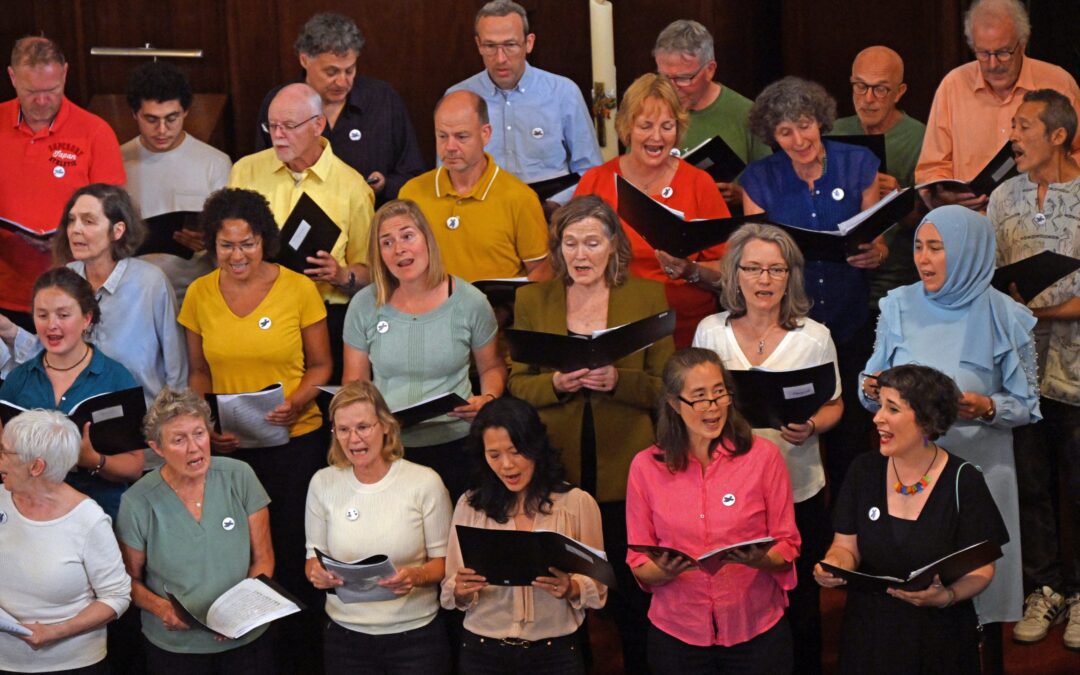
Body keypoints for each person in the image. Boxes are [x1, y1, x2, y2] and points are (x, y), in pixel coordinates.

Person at [860, 205, 1041, 669]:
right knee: (913, 594)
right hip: (910, 474)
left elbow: (1027, 406)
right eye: (919, 246)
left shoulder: (1006, 314)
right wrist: (871, 387)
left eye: (936, 248)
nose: (924, 259)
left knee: (978, 593)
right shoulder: (898, 304)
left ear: (968, 251)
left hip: (980, 469)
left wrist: (986, 406)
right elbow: (874, 388)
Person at [507, 195, 673, 673]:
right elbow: (518, 383)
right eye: (570, 243)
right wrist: (555, 383)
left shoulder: (646, 297)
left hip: (627, 472)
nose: (581, 255)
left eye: (592, 243)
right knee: (564, 593)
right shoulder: (532, 299)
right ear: (558, 248)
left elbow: (667, 389)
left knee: (629, 595)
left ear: (613, 247)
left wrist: (620, 381)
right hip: (557, 471)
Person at [692, 223, 842, 675]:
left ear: (790, 276)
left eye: (776, 270)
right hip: (728, 491)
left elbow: (836, 404)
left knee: (800, 602)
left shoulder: (814, 337)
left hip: (797, 486)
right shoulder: (710, 332)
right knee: (736, 594)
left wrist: (813, 424)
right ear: (733, 274)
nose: (764, 280)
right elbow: (694, 402)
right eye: (753, 268)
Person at [178, 187, 331, 620]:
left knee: (292, 550)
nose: (237, 255)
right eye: (226, 245)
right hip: (230, 450)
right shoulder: (198, 294)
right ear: (213, 245)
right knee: (237, 556)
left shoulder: (298, 288)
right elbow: (198, 373)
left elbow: (321, 366)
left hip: (295, 444)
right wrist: (203, 425)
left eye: (248, 243)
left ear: (265, 239)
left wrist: (297, 403)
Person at [741, 75, 885, 493]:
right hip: (790, 327)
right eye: (785, 131)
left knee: (853, 439)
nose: (799, 139)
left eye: (804, 125)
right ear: (773, 135)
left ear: (820, 121)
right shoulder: (759, 179)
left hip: (851, 320)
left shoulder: (858, 163)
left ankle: (851, 537)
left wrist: (875, 253)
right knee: (790, 433)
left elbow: (877, 241)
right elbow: (755, 256)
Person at [816, 365, 1009, 674]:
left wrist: (947, 596)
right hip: (871, 633)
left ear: (926, 420)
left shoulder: (964, 480)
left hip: (940, 637)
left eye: (892, 408)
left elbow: (982, 567)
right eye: (880, 406)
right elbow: (845, 547)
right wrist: (835, 565)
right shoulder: (863, 471)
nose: (878, 417)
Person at [625, 348, 799, 674]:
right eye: (700, 397)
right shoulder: (645, 467)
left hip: (756, 629)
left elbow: (787, 545)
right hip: (678, 634)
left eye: (720, 393)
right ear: (675, 404)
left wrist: (757, 558)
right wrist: (666, 569)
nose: (713, 406)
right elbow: (638, 561)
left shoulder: (764, 457)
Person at [987, 88, 1080, 648]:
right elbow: (993, 275)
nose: (1013, 136)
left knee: (1079, 486)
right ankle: (1043, 589)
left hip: (1076, 372)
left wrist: (1040, 311)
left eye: (1023, 126)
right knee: (1033, 488)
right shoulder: (1003, 197)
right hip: (1023, 375)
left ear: (1059, 135)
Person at [342, 199, 504, 501]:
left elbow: (492, 367)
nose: (399, 249)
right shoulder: (364, 304)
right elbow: (355, 384)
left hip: (457, 444)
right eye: (386, 242)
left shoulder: (471, 301)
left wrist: (488, 400)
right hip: (389, 448)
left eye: (407, 236)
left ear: (426, 239)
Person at [442, 396, 607, 674]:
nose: (507, 465)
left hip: (555, 650)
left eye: (516, 451)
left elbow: (599, 586)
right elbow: (450, 589)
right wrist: (460, 589)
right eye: (494, 455)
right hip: (483, 649)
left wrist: (572, 587)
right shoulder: (470, 505)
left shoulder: (576, 503)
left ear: (535, 447)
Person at [116, 387, 275, 673]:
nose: (193, 447)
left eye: (199, 434)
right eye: (178, 440)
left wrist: (241, 613)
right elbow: (128, 582)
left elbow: (263, 559)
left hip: (246, 640)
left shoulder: (240, 476)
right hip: (176, 648)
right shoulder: (137, 501)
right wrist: (162, 608)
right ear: (157, 448)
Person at [304, 380, 453, 674]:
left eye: (363, 426)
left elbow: (444, 564)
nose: (353, 439)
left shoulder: (425, 482)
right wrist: (317, 575)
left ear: (385, 426)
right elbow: (313, 558)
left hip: (416, 638)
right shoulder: (323, 482)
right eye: (343, 430)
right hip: (345, 638)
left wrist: (416, 575)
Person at [0, 184, 187, 414]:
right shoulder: (66, 276)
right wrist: (8, 330)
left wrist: (172, 425)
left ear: (117, 231)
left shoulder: (150, 282)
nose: (75, 230)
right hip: (73, 429)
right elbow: (47, 356)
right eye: (71, 220)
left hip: (142, 428)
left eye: (88, 221)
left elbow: (177, 370)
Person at [231, 82, 374, 382]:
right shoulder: (246, 171)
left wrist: (339, 274)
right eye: (272, 126)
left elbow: (370, 273)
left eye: (289, 126)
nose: (278, 135)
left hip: (324, 317)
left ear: (317, 125)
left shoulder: (353, 188)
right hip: (256, 312)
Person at [573, 73, 729, 348]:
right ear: (627, 127)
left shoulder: (698, 184)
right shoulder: (596, 181)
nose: (656, 137)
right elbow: (570, 258)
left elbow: (730, 269)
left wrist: (690, 269)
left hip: (685, 329)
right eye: (646, 126)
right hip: (614, 326)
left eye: (667, 126)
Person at [0, 267, 144, 521]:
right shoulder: (18, 379)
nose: (52, 325)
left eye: (63, 315)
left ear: (87, 318)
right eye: (42, 315)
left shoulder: (117, 378)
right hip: (32, 514)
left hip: (99, 514)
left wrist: (93, 460)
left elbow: (134, 466)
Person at [0, 37, 125, 326]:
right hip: (6, 291)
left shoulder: (95, 132)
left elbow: (115, 215)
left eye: (52, 90)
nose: (42, 101)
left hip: (74, 291)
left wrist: (65, 237)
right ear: (12, 77)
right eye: (31, 91)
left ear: (65, 74)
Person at [0, 409, 131, 674]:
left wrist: (54, 632)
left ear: (36, 466)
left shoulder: (89, 519)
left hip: (72, 665)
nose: (0, 461)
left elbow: (116, 596)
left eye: (5, 453)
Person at [915, 0, 1080, 210]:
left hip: (1043, 218)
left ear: (1022, 42)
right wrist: (943, 197)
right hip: (972, 222)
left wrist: (1054, 181)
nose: (993, 65)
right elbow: (931, 168)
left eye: (1003, 53)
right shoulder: (953, 86)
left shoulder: (1058, 83)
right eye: (983, 54)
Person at [255, 12, 424, 204]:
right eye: (331, 72)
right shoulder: (280, 103)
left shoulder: (383, 100)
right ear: (304, 60)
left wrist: (386, 184)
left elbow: (414, 175)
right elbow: (264, 171)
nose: (342, 82)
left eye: (350, 70)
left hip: (369, 218)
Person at [447, 0, 602, 209]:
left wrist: (557, 204)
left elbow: (591, 171)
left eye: (510, 45)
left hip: (552, 214)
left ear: (528, 43)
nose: (500, 58)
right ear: (478, 45)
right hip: (483, 215)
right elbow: (447, 173)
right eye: (490, 46)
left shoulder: (563, 93)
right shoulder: (458, 98)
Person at [399, 90, 552, 283]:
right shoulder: (411, 193)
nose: (450, 147)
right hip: (426, 310)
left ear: (485, 134)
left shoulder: (520, 198)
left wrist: (505, 311)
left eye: (461, 137)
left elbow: (542, 271)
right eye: (442, 136)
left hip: (496, 311)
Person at [123, 60, 232, 302]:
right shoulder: (118, 161)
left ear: (185, 112)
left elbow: (232, 238)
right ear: (134, 114)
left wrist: (211, 241)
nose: (162, 130)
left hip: (196, 295)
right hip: (134, 295)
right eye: (151, 119)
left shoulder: (215, 163)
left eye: (171, 118)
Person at [830, 45, 927, 309]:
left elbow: (929, 224)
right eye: (860, 86)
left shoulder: (921, 139)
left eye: (880, 89)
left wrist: (898, 198)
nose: (868, 98)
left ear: (899, 92)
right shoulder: (835, 131)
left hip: (896, 284)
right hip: (838, 278)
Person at [652, 19, 772, 208]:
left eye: (683, 78)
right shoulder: (650, 109)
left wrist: (742, 196)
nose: (671, 88)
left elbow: (772, 188)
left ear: (710, 70)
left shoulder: (747, 114)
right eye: (664, 77)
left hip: (731, 228)